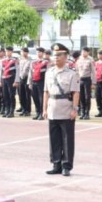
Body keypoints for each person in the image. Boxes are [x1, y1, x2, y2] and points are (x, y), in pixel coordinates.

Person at [43, 43, 80, 176]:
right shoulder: (49, 73)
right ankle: (56, 163)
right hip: (53, 107)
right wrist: (44, 109)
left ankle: (66, 165)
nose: (56, 57)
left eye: (59, 55)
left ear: (66, 57)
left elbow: (76, 93)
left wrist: (74, 109)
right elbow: (46, 92)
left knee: (67, 139)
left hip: (66, 108)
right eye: (54, 55)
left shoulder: (72, 74)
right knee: (54, 139)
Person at [0, 46, 19, 118]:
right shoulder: (3, 61)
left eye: (9, 51)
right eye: (6, 51)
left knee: (11, 96)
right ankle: (7, 110)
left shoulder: (14, 60)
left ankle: (11, 111)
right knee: (5, 95)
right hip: (4, 79)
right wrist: (0, 81)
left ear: (12, 52)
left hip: (11, 79)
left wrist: (16, 81)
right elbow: (1, 71)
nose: (7, 53)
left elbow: (17, 71)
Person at [30, 47, 49, 120]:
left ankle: (42, 113)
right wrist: (29, 82)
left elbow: (47, 73)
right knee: (35, 98)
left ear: (43, 53)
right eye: (37, 52)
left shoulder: (46, 62)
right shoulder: (33, 62)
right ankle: (37, 112)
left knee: (42, 98)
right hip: (34, 82)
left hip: (42, 82)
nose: (38, 53)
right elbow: (30, 73)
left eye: (40, 52)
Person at [75, 47, 94, 120]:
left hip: (87, 80)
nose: (83, 53)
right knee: (81, 97)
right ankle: (82, 112)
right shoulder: (78, 60)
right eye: (82, 51)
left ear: (88, 53)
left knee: (87, 97)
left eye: (85, 52)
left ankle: (87, 113)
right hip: (80, 80)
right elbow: (76, 71)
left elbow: (93, 72)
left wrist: (93, 82)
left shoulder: (90, 60)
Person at [17, 47, 31, 116]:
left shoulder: (30, 60)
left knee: (27, 95)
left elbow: (29, 71)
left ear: (27, 53)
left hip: (27, 79)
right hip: (20, 79)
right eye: (21, 52)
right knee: (21, 94)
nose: (22, 53)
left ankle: (28, 110)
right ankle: (23, 109)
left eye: (24, 52)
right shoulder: (20, 60)